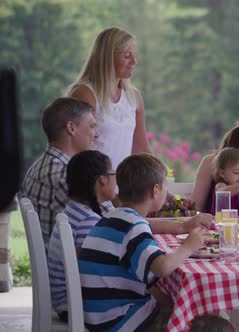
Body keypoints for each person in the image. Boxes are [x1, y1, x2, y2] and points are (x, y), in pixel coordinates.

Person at [78, 154, 213, 331]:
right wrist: (188, 246)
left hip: (99, 317)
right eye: (166, 187)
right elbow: (162, 267)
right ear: (155, 190)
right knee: (216, 325)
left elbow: (147, 227)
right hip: (121, 322)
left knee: (172, 304)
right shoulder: (135, 227)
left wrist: (183, 227)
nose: (167, 192)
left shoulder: (114, 216)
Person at [47, 150, 116, 321]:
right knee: (153, 304)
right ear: (102, 180)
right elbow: (95, 277)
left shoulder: (73, 210)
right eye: (114, 173)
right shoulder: (89, 221)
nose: (117, 179)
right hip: (76, 306)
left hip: (67, 302)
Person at [20, 97, 98, 248]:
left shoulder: (41, 166)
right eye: (92, 126)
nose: (97, 134)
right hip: (69, 269)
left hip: (57, 265)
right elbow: (115, 224)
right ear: (72, 128)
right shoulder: (65, 175)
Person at [67, 27, 150, 169]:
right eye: (127, 56)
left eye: (135, 55)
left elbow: (141, 149)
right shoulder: (86, 94)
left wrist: (159, 183)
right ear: (107, 56)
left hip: (122, 189)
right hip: (92, 185)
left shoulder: (134, 98)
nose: (134, 61)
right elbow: (77, 150)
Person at [211, 147, 239, 214]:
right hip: (221, 222)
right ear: (222, 173)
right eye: (236, 172)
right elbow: (222, 193)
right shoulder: (221, 185)